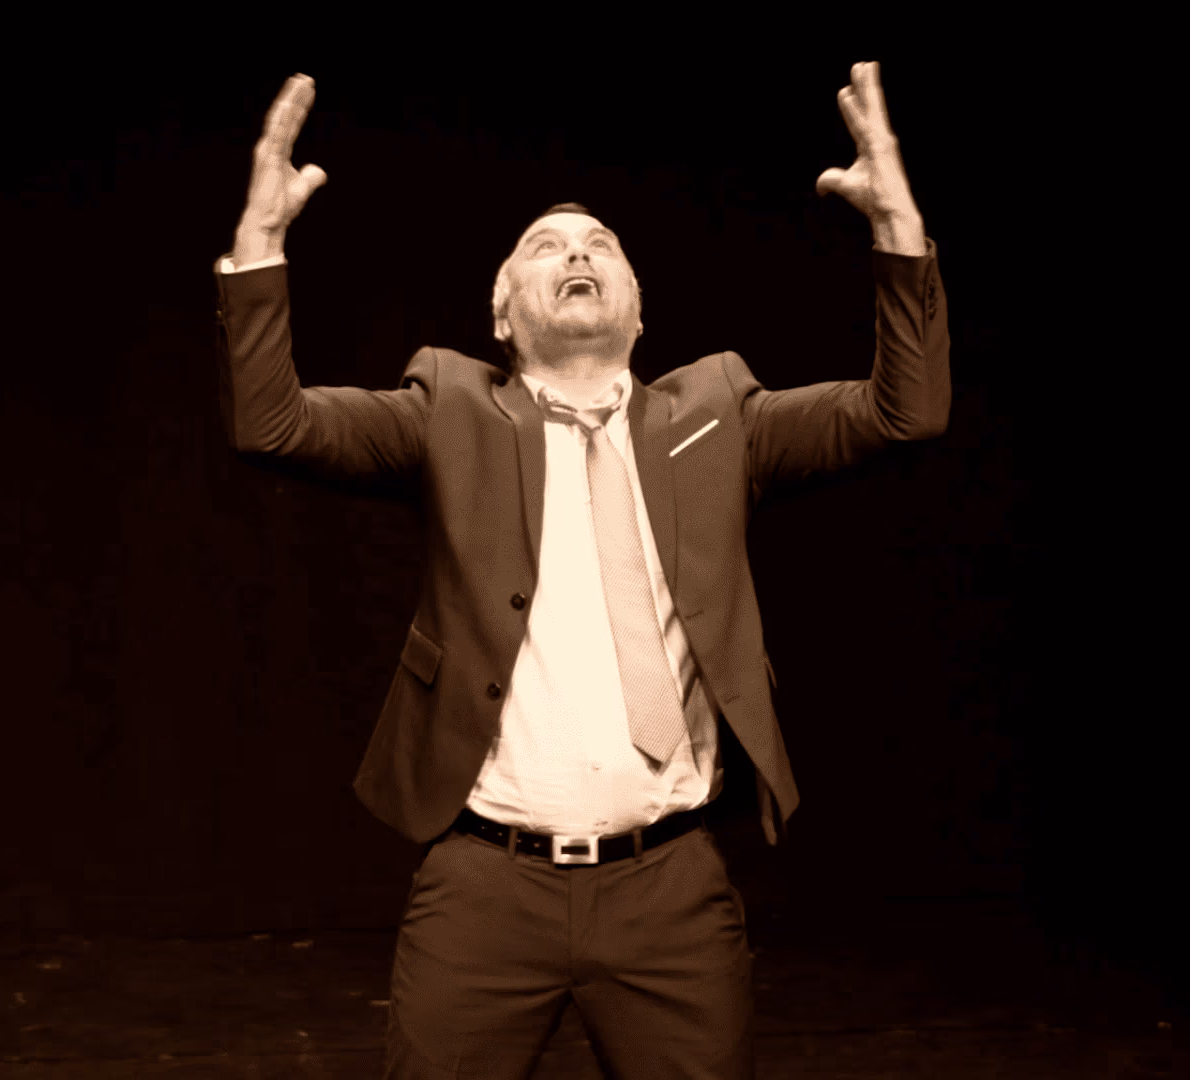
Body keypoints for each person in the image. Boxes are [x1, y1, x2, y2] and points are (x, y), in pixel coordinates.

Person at [213, 64, 948, 1080]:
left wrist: (898, 229)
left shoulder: (718, 416)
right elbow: (271, 424)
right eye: (545, 245)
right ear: (502, 313)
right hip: (485, 889)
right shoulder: (449, 412)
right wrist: (260, 241)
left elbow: (906, 414)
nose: (577, 251)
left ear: (639, 313)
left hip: (669, 891)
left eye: (601, 243)